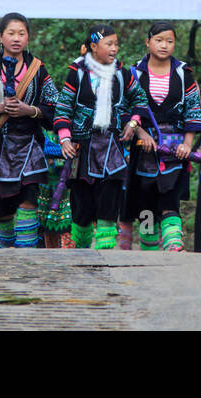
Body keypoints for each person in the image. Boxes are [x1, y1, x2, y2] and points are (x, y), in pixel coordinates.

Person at [53, 24, 153, 250]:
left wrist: (133, 122)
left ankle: (104, 258)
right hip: (83, 149)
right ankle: (80, 254)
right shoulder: (77, 72)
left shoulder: (122, 74)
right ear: (93, 46)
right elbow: (63, 107)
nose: (115, 49)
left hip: (113, 148)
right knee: (82, 208)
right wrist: (65, 139)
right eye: (109, 44)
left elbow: (140, 99)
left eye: (116, 44)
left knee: (109, 202)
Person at [0, 12, 58, 248]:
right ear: (1, 37)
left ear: (28, 38)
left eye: (22, 33)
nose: (16, 38)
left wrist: (30, 111)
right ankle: (3, 258)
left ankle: (27, 258)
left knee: (28, 199)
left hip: (30, 147)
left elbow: (55, 105)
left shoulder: (38, 70)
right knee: (1, 210)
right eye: (11, 33)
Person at [124, 22, 201, 252]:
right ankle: (149, 253)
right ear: (148, 42)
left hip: (175, 148)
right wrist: (140, 133)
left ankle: (173, 246)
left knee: (171, 198)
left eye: (169, 41)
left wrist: (188, 145)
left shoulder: (183, 74)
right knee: (146, 204)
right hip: (142, 148)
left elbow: (193, 110)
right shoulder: (133, 73)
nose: (164, 45)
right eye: (159, 40)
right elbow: (125, 108)